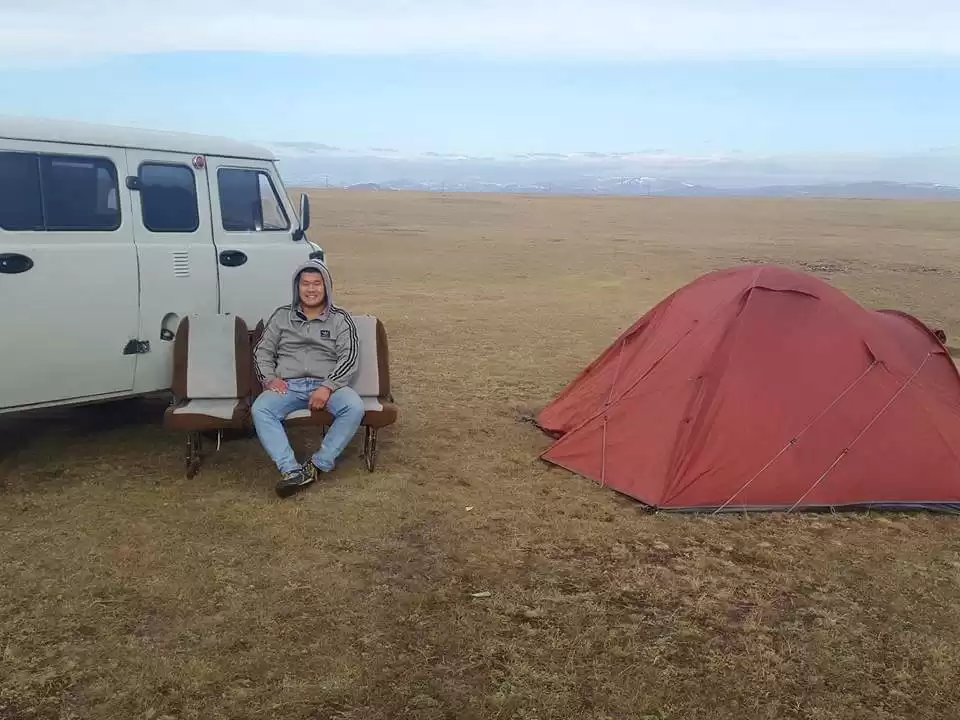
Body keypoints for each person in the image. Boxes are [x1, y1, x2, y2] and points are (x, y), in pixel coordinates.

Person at [252, 259, 365, 497]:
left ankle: (318, 465)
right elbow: (262, 351)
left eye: (317, 283)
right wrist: (269, 379)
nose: (311, 289)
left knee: (354, 406)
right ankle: (291, 471)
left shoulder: (340, 318)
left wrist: (327, 386)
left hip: (327, 385)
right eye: (305, 284)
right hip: (288, 385)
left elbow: (349, 356)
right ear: (297, 287)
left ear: (326, 287)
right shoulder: (281, 316)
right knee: (261, 408)